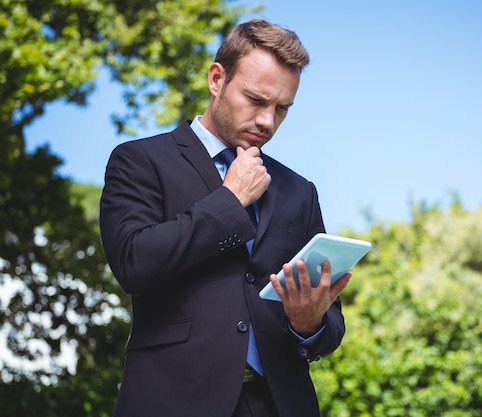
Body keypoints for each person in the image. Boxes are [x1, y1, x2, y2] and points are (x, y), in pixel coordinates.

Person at [99, 19, 352, 417]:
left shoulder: (300, 191)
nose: (268, 121)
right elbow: (134, 262)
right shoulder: (140, 161)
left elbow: (330, 326)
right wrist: (231, 200)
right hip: (171, 401)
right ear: (217, 79)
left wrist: (310, 322)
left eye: (282, 108)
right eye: (256, 99)